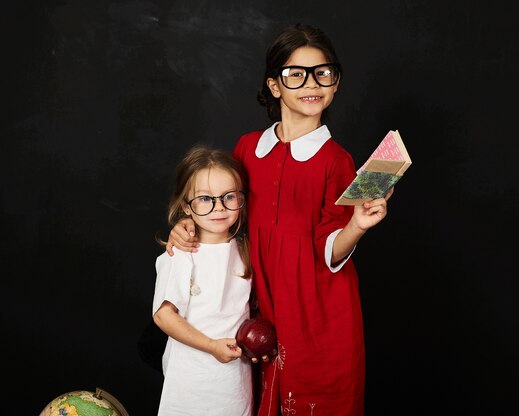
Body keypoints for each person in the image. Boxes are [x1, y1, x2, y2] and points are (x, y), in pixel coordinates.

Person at [167, 24, 393, 415]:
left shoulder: (336, 161)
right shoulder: (248, 147)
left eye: (323, 72)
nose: (313, 83)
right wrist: (189, 225)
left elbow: (330, 248)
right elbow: (223, 211)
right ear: (274, 86)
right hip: (260, 306)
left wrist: (356, 225)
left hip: (316, 311)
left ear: (335, 82)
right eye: (296, 74)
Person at [152, 145, 254, 416]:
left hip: (234, 381)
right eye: (205, 199)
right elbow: (164, 316)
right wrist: (211, 346)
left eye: (229, 196)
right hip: (191, 382)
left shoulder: (246, 250)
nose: (219, 207)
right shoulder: (181, 254)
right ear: (186, 206)